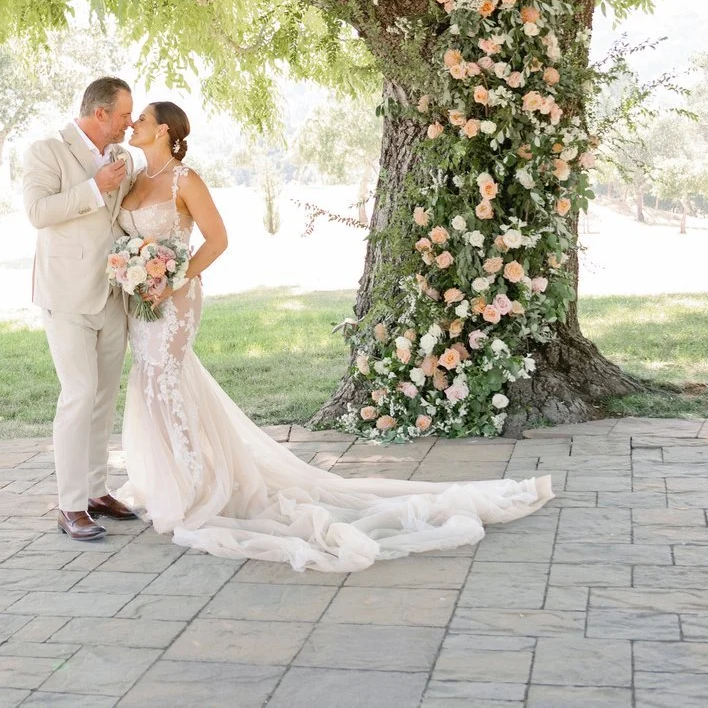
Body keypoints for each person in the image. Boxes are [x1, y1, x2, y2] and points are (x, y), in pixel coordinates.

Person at [114, 99, 554, 572]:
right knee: (150, 378)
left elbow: (217, 240)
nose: (133, 123)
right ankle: (165, 477)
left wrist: (172, 279)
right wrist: (137, 271)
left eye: (140, 119)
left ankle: (192, 484)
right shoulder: (134, 178)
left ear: (163, 131)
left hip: (176, 299)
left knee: (167, 377)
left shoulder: (186, 179)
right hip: (142, 298)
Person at [21, 76, 141, 541]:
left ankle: (96, 491)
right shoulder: (46, 151)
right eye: (125, 116)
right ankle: (69, 506)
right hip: (66, 294)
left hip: (112, 292)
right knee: (78, 395)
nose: (129, 124)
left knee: (103, 396)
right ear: (100, 115)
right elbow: (37, 212)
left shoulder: (121, 157)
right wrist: (93, 188)